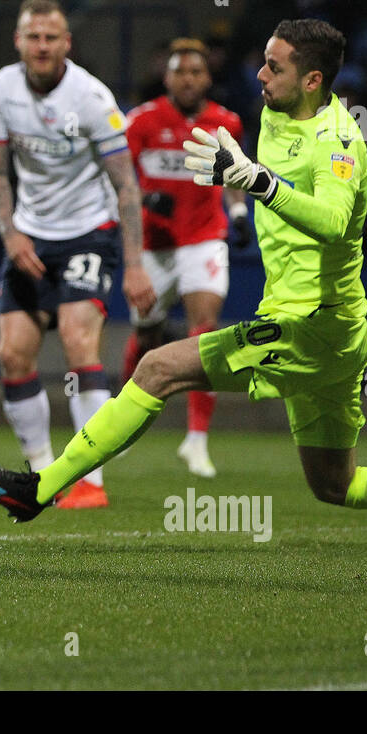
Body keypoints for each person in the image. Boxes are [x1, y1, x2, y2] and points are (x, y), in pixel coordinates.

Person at [0, 18, 367, 555]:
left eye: (273, 66)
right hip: (335, 330)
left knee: (156, 368)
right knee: (337, 485)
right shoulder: (275, 114)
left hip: (311, 323)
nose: (258, 73)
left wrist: (257, 181)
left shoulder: (338, 142)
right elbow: (263, 188)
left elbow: (334, 223)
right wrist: (241, 183)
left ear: (311, 80)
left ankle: (40, 488)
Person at [0, 0, 154, 511]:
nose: (41, 46)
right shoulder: (0, 90)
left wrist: (136, 262)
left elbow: (126, 187)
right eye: (32, 37)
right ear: (18, 42)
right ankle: (42, 477)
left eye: (51, 37)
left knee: (80, 342)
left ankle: (91, 483)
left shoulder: (93, 99)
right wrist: (11, 235)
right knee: (11, 355)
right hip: (30, 238)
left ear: (66, 44)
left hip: (88, 234)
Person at [123, 38, 248, 478]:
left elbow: (232, 174)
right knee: (146, 335)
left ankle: (196, 440)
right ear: (167, 76)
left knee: (204, 334)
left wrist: (237, 211)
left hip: (203, 239)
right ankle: (120, 424)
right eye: (181, 72)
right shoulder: (141, 121)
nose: (189, 79)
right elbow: (118, 179)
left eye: (196, 72)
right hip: (154, 246)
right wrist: (142, 202)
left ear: (207, 78)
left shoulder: (224, 121)